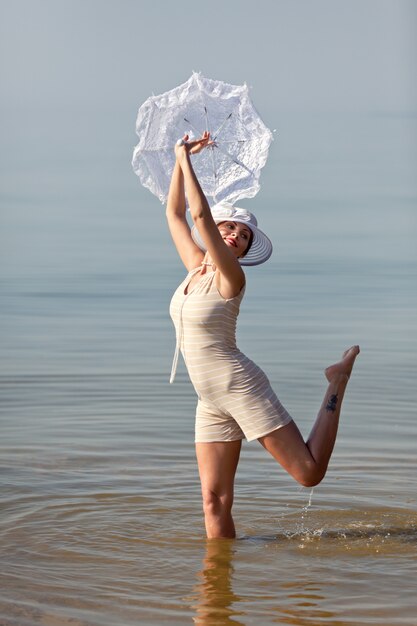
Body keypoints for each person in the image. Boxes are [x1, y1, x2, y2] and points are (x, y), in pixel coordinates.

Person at [166, 132, 360, 539]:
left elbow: (201, 218)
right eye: (231, 227)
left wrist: (187, 159)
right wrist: (177, 161)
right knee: (213, 503)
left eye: (243, 235)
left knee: (308, 473)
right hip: (209, 400)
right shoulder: (195, 268)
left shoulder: (231, 278)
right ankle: (218, 596)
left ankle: (336, 381)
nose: (237, 235)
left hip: (239, 386)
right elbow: (177, 216)